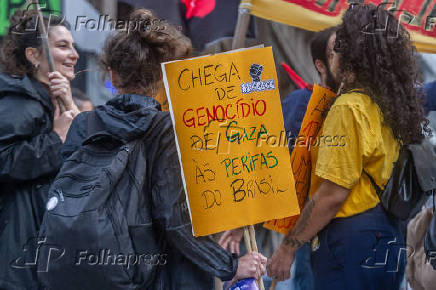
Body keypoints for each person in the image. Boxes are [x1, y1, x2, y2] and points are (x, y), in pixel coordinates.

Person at [61, 9, 266, 289]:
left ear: (111, 73)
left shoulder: (84, 124)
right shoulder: (167, 127)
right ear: (162, 75)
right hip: (164, 275)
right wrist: (229, 265)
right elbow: (175, 217)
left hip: (93, 271)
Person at [267, 4, 429, 290]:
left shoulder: (349, 107)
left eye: (337, 47)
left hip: (349, 240)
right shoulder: (389, 102)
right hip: (387, 234)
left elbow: (332, 195)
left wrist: (288, 248)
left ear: (350, 53)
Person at [0, 9, 79, 289]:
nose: (74, 54)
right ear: (33, 55)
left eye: (72, 45)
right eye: (62, 46)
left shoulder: (49, 99)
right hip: (19, 255)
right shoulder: (20, 102)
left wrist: (70, 104)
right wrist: (56, 138)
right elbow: (4, 161)